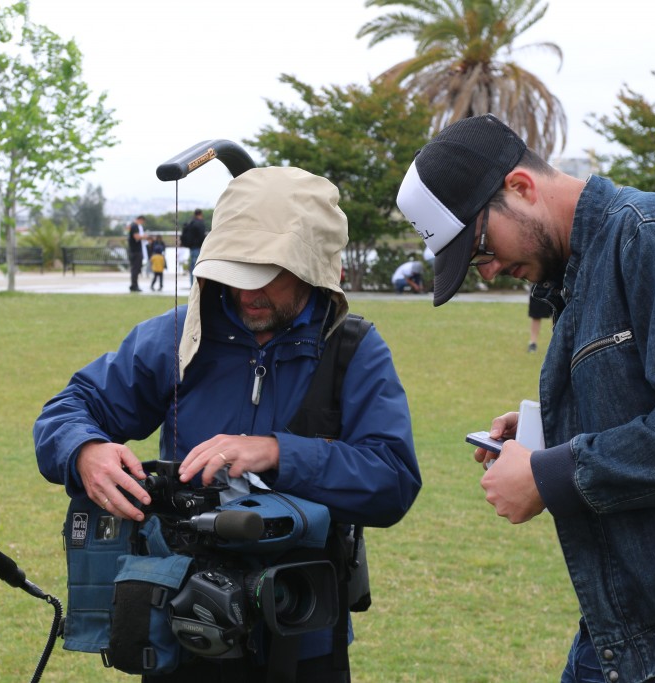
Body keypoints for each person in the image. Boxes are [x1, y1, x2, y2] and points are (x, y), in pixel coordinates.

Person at [35, 166, 421, 682]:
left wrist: (278, 452)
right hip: (182, 628)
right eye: (235, 271)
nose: (246, 293)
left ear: (311, 267)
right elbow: (68, 408)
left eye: (266, 274)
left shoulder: (354, 351)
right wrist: (83, 451)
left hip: (303, 635)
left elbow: (393, 481)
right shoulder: (177, 336)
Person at [396, 113, 655, 683]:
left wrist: (551, 475)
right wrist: (544, 441)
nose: (490, 273)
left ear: (521, 188)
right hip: (622, 630)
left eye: (480, 250)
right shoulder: (577, 270)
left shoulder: (653, 235)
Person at [180, 208, 207, 286]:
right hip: (198, 247)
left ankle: (192, 285)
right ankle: (197, 286)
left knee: (193, 267)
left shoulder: (191, 223)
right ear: (200, 214)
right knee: (198, 268)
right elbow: (202, 236)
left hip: (192, 248)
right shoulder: (200, 224)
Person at [527, 285, 552, 352]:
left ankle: (556, 343)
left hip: (556, 284)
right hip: (539, 285)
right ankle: (532, 343)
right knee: (536, 316)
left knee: (557, 316)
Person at [128, 215, 149, 292]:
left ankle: (134, 284)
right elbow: (136, 237)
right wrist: (144, 236)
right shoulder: (135, 226)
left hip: (135, 250)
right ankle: (134, 285)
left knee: (135, 268)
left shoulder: (134, 226)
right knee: (135, 268)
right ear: (140, 220)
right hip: (136, 251)